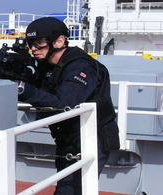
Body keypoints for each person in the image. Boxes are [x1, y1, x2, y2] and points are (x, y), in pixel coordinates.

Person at [18, 17, 120, 194]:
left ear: (59, 41)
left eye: (39, 43)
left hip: (91, 138)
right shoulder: (49, 66)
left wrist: (21, 88)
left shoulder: (80, 66)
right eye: (30, 44)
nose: (33, 49)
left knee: (71, 190)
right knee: (67, 187)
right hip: (70, 137)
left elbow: (64, 103)